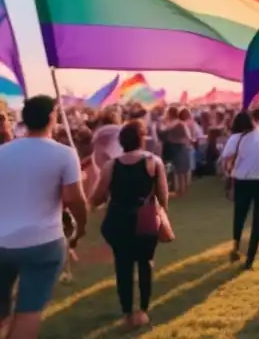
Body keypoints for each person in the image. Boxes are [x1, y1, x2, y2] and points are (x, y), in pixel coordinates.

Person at [0, 96, 88, 339]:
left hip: (2, 241)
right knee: (28, 312)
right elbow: (74, 199)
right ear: (52, 117)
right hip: (43, 242)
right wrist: (80, 228)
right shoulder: (64, 154)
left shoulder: (3, 152)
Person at [90, 120, 170, 330]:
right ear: (142, 139)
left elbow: (97, 198)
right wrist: (161, 216)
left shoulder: (111, 165)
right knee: (145, 264)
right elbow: (163, 196)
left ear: (121, 142)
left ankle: (127, 313)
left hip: (118, 220)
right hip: (145, 219)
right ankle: (142, 310)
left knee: (123, 266)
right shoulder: (154, 162)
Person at [221, 110, 259, 269]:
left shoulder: (237, 138)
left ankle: (236, 245)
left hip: (242, 180)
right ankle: (250, 257)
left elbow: (226, 157)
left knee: (239, 215)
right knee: (257, 219)